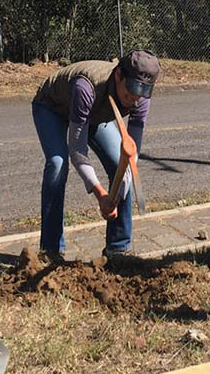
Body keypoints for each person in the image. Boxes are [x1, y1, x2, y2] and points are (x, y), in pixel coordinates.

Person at [31, 50, 160, 262]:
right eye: (129, 92)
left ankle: (117, 249)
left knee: (119, 163)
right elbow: (77, 150)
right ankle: (51, 250)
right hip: (53, 107)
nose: (133, 100)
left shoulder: (140, 98)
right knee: (58, 164)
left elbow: (131, 152)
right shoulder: (87, 87)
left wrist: (118, 192)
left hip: (96, 114)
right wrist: (100, 193)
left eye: (141, 93)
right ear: (119, 75)